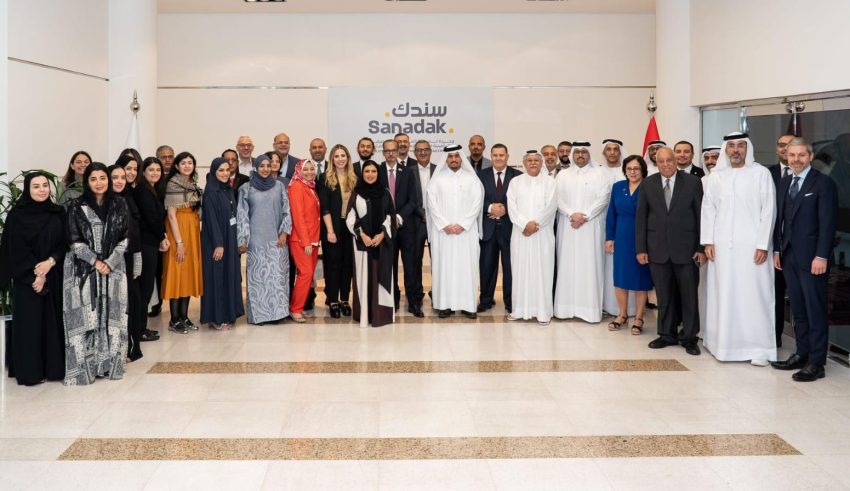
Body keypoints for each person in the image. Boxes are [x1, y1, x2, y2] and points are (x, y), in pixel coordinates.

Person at [701, 132, 776, 365]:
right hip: (722, 248)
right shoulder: (716, 176)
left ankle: (758, 349)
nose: (736, 150)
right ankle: (721, 345)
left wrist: (763, 244)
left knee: (755, 296)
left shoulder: (761, 174)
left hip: (753, 248)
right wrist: (708, 241)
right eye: (731, 146)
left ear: (747, 149)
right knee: (723, 293)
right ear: (726, 149)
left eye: (741, 146)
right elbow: (708, 209)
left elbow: (769, 210)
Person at [772, 137, 838, 382]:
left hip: (813, 259)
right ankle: (802, 354)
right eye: (792, 155)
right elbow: (780, 221)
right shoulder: (784, 182)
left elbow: (828, 224)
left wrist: (821, 256)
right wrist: (777, 250)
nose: (796, 159)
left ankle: (817, 362)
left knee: (815, 309)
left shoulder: (823, 183)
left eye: (801, 155)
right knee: (798, 309)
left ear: (810, 156)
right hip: (788, 256)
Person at [63, 163, 130, 385]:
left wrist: (109, 262)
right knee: (86, 319)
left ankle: (110, 365)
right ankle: (85, 369)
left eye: (103, 178)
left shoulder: (119, 203)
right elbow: (74, 240)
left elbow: (125, 237)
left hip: (115, 268)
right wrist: (96, 261)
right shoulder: (76, 205)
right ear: (87, 182)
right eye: (93, 179)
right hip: (84, 270)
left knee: (114, 317)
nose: (99, 183)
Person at [635, 147, 705, 356]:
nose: (665, 164)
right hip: (657, 250)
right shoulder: (648, 183)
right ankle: (666, 334)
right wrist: (641, 248)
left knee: (689, 296)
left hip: (687, 251)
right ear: (656, 163)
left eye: (669, 160)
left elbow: (701, 216)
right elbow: (641, 218)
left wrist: (701, 247)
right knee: (664, 296)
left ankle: (689, 337)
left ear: (676, 161)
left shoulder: (693, 183)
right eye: (661, 161)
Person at [0, 173, 65, 385]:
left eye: (45, 185)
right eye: (36, 186)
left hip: (53, 275)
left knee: (51, 324)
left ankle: (52, 369)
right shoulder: (17, 215)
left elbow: (65, 243)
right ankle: (31, 372)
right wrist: (37, 274)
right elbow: (15, 249)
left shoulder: (58, 212)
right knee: (30, 326)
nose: (42, 190)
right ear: (28, 189)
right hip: (26, 280)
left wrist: (50, 263)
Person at [554, 142, 612, 323]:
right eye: (577, 152)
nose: (580, 155)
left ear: (590, 154)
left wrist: (585, 215)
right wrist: (572, 214)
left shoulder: (601, 174)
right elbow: (557, 198)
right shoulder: (563, 175)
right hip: (568, 226)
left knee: (590, 265)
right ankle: (564, 309)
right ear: (572, 154)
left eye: (584, 152)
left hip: (591, 227)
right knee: (567, 265)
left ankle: (589, 311)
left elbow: (604, 198)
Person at [427, 145, 484, 319]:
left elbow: (477, 203)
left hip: (466, 232)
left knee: (466, 268)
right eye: (450, 157)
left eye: (456, 156)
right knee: (444, 268)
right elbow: (431, 204)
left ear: (461, 158)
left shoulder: (471, 179)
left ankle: (468, 305)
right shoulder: (437, 180)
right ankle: (444, 305)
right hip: (443, 233)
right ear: (446, 159)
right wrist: (445, 225)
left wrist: (463, 224)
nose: (453, 159)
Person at [237, 155, 292, 325]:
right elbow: (242, 215)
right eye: (262, 166)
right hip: (256, 241)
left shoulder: (279, 186)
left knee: (277, 278)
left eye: (268, 165)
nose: (266, 169)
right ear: (256, 168)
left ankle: (278, 314)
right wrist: (243, 239)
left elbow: (287, 210)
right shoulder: (246, 188)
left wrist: (284, 233)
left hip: (277, 241)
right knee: (258, 279)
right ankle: (259, 316)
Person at [506, 152, 557, 325]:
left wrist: (535, 225)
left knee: (543, 271)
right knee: (520, 271)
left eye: (536, 160)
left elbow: (551, 207)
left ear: (541, 163)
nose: (533, 163)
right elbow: (511, 207)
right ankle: (519, 310)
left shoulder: (550, 182)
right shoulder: (515, 182)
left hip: (543, 234)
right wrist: (524, 225)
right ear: (524, 163)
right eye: (529, 160)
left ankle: (543, 312)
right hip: (521, 234)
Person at [605, 155, 653, 334]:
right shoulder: (618, 187)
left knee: (641, 278)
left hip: (643, 238)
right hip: (622, 236)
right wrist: (609, 238)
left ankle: (639, 317)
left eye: (636, 168)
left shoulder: (649, 186)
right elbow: (611, 213)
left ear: (643, 170)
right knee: (621, 277)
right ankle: (622, 315)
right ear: (624, 171)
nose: (632, 172)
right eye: (629, 169)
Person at [346, 161, 397, 327]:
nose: (370, 174)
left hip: (382, 245)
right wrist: (362, 235)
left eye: (373, 171)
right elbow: (350, 217)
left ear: (378, 173)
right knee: (364, 278)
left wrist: (382, 234)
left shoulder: (385, 192)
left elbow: (391, 216)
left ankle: (381, 315)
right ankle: (365, 314)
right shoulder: (356, 193)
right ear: (362, 174)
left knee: (381, 275)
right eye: (366, 171)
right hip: (363, 245)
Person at [162, 151, 203, 334]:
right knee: (176, 273)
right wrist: (179, 242)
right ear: (177, 166)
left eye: (190, 163)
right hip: (178, 232)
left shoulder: (193, 185)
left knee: (188, 274)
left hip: (192, 232)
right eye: (183, 163)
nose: (187, 166)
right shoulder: (172, 184)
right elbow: (171, 215)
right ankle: (174, 319)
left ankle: (184, 317)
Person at [201, 157, 244, 329]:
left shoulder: (227, 190)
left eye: (227, 170)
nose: (225, 173)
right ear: (213, 172)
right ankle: (216, 318)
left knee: (228, 276)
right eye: (221, 170)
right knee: (217, 278)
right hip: (216, 242)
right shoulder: (211, 193)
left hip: (229, 239)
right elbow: (211, 221)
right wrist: (219, 244)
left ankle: (228, 314)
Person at [478, 143, 521, 314]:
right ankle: (486, 300)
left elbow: (522, 200)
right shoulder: (481, 175)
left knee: (510, 268)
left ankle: (510, 302)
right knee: (487, 267)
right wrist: (490, 208)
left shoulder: (517, 176)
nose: (498, 158)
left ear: (507, 156)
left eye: (501, 155)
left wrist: (505, 209)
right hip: (488, 229)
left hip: (509, 229)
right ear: (491, 156)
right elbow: (476, 199)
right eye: (495, 155)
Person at [108, 162, 144, 361]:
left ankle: (131, 346)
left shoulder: (127, 199)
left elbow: (134, 232)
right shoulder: (103, 203)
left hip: (129, 258)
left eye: (123, 177)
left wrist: (137, 259)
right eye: (115, 178)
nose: (120, 181)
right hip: (108, 263)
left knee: (132, 302)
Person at [318, 144, 357, 318]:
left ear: (348, 158)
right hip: (332, 227)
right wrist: (330, 231)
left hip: (350, 227)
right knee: (333, 264)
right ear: (332, 159)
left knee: (347, 265)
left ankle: (345, 299)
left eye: (343, 156)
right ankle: (333, 300)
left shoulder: (355, 177)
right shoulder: (325, 178)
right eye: (336, 156)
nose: (340, 159)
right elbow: (324, 206)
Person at [401, 140, 436, 317]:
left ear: (430, 151)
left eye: (425, 150)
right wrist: (422, 214)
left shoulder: (439, 170)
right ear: (414, 153)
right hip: (414, 222)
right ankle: (414, 299)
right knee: (413, 262)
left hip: (437, 223)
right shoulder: (408, 171)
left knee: (439, 261)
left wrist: (433, 215)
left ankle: (439, 296)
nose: (422, 153)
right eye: (419, 150)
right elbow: (408, 198)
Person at [134, 157, 167, 341]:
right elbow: (152, 218)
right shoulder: (142, 191)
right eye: (151, 170)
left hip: (150, 243)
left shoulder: (152, 189)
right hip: (146, 244)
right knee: (145, 288)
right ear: (143, 172)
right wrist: (162, 237)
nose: (155, 173)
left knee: (147, 288)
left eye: (158, 170)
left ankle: (141, 328)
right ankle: (139, 330)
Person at [379, 139, 414, 310]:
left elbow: (413, 200)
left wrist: (398, 217)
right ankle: (392, 300)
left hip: (405, 227)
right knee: (389, 265)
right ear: (383, 153)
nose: (391, 153)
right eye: (387, 151)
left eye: (393, 150)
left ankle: (413, 302)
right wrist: (388, 219)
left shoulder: (408, 172)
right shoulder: (377, 171)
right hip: (385, 227)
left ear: (398, 151)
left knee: (410, 266)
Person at [600, 139, 632, 317]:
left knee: (625, 266)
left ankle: (627, 309)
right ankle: (605, 304)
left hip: (624, 227)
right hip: (600, 225)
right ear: (604, 153)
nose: (612, 152)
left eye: (615, 149)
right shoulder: (598, 172)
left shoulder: (627, 172)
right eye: (608, 149)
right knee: (604, 266)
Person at [769, 134, 795, 347]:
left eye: (790, 145)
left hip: (800, 248)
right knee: (775, 295)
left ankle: (805, 346)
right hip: (773, 248)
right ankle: (774, 337)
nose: (785, 149)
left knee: (801, 298)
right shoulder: (766, 174)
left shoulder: (815, 176)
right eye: (781, 145)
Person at [288, 160, 321, 322]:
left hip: (313, 238)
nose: (309, 172)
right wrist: (306, 241)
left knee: (308, 275)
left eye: (311, 168)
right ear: (299, 171)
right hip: (301, 239)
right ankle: (295, 309)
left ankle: (298, 307)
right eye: (305, 169)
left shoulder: (310, 186)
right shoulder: (296, 187)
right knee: (306, 273)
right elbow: (298, 216)